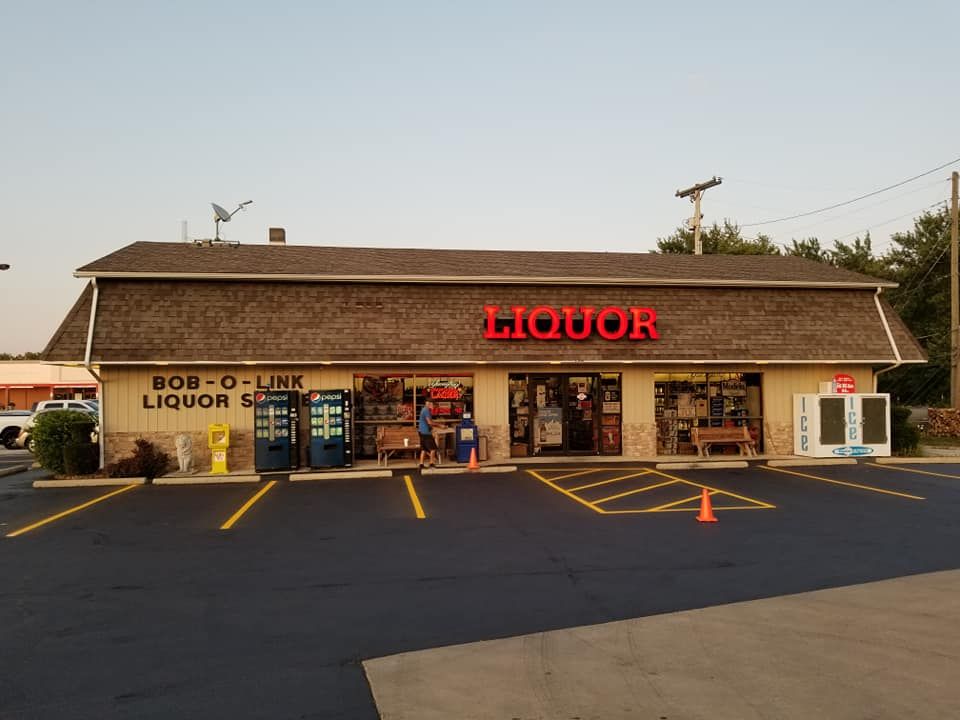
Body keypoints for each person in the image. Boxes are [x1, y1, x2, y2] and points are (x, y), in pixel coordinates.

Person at [418, 398, 439, 470]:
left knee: (424, 449)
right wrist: (440, 425)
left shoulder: (424, 410)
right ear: (429, 403)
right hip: (426, 433)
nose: (434, 407)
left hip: (422, 432)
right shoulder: (426, 410)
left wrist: (432, 428)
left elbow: (428, 423)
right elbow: (429, 422)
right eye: (433, 404)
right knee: (433, 448)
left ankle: (421, 464)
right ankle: (431, 464)